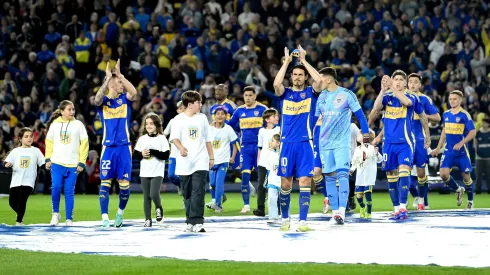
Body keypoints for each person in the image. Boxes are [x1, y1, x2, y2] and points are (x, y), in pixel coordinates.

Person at [272, 45, 323, 232]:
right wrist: (286, 62)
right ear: (291, 77)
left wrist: (304, 61)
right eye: (295, 75)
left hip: (305, 144)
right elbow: (276, 85)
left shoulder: (311, 92)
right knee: (285, 183)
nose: (298, 77)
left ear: (305, 77)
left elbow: (320, 81)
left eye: (301, 74)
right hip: (286, 144)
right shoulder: (285, 94)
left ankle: (302, 221)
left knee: (305, 182)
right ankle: (285, 220)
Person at [369, 71, 430, 220]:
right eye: (395, 79)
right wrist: (383, 90)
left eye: (400, 80)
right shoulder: (387, 97)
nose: (397, 82)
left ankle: (403, 207)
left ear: (405, 83)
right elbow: (376, 109)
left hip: (405, 143)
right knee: (391, 175)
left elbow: (407, 103)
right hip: (388, 144)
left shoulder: (411, 96)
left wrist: (427, 136)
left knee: (404, 172)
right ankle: (396, 208)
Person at [316, 67, 370, 225]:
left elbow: (360, 116)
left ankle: (341, 211)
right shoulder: (322, 97)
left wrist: (365, 137)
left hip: (342, 143)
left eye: (321, 78)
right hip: (325, 144)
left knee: (342, 175)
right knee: (329, 178)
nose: (318, 82)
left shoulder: (347, 94)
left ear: (328, 79)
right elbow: (314, 121)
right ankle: (335, 213)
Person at [94, 60, 138, 228]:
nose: (122, 84)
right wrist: (107, 80)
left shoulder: (124, 100)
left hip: (124, 148)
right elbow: (97, 99)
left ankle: (120, 213)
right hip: (108, 148)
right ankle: (105, 217)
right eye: (119, 82)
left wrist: (120, 75)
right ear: (111, 85)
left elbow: (133, 92)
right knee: (105, 182)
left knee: (124, 184)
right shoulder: (103, 102)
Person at [170, 91, 214, 233]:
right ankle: (190, 221)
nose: (201, 105)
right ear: (190, 104)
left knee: (198, 191)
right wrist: (181, 148)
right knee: (187, 193)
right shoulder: (178, 120)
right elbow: (174, 138)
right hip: (184, 161)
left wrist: (211, 157)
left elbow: (207, 140)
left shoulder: (202, 119)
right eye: (198, 102)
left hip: (201, 159)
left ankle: (198, 221)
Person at [45, 100, 89, 226]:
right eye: (69, 109)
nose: (72, 112)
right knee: (56, 187)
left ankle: (69, 218)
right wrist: (48, 159)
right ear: (62, 111)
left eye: (73, 109)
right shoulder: (54, 124)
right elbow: (49, 142)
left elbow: (84, 144)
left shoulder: (78, 124)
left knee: (69, 190)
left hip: (73, 164)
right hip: (57, 162)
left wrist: (81, 162)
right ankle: (55, 214)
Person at [431, 90, 476, 209]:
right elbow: (444, 132)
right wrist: (438, 147)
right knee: (443, 175)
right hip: (449, 151)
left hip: (461, 152)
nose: (452, 101)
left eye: (455, 99)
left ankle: (470, 201)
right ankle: (458, 189)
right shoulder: (446, 114)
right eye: (450, 99)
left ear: (460, 100)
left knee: (466, 177)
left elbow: (472, 132)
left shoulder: (464, 115)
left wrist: (462, 143)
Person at [227, 86, 266, 214]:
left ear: (255, 96)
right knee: (244, 175)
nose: (248, 98)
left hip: (260, 148)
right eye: (246, 95)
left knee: (263, 177)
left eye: (250, 95)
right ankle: (246, 205)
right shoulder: (239, 111)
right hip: (245, 149)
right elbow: (229, 126)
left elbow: (271, 125)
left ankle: (262, 202)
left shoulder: (262, 109)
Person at [407, 73, 441, 210]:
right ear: (407, 83)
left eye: (416, 82)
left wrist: (422, 114)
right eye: (410, 82)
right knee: (402, 172)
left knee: (421, 173)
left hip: (420, 139)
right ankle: (415, 197)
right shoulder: (403, 98)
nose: (413, 84)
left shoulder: (424, 99)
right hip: (405, 139)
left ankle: (423, 202)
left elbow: (438, 117)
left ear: (420, 85)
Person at [134, 113, 170, 227]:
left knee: (154, 193)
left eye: (151, 123)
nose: (148, 126)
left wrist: (152, 151)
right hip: (144, 171)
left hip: (157, 171)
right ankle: (147, 219)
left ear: (157, 125)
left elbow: (165, 155)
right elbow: (135, 155)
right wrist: (142, 154)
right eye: (147, 123)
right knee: (146, 196)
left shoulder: (162, 138)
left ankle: (159, 208)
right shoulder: (142, 139)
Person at [4, 128, 45, 226]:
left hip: (29, 181)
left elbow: (42, 163)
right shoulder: (15, 151)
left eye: (31, 136)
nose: (29, 138)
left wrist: (47, 165)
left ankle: (19, 221)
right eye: (26, 136)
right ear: (20, 139)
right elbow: (7, 162)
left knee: (22, 199)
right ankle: (20, 216)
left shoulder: (36, 151)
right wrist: (7, 164)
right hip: (16, 181)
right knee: (12, 202)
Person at [206, 106, 238, 213]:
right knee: (212, 184)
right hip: (211, 161)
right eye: (217, 114)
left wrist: (232, 157)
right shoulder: (209, 129)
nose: (220, 116)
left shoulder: (228, 129)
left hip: (223, 161)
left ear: (226, 116)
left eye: (222, 114)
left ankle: (218, 205)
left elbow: (235, 144)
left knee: (219, 183)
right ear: (214, 116)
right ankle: (220, 197)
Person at [253, 108, 280, 217]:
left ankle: (278, 208)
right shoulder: (261, 131)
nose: (277, 118)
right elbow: (260, 147)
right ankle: (261, 209)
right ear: (267, 119)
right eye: (274, 116)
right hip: (264, 162)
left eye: (277, 115)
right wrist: (259, 161)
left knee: (277, 185)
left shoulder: (279, 129)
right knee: (261, 186)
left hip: (275, 163)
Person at [349, 131, 382, 219]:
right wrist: (351, 170)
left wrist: (377, 153)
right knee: (359, 196)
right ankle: (362, 206)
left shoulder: (372, 148)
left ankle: (369, 212)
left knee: (368, 194)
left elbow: (380, 160)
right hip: (360, 176)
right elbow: (354, 162)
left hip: (369, 176)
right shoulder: (357, 149)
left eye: (359, 135)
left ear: (365, 138)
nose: (357, 136)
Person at [164, 101, 185, 195]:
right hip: (173, 154)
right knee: (171, 175)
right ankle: (181, 185)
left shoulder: (191, 121)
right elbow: (164, 133)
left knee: (185, 176)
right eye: (180, 108)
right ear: (177, 110)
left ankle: (186, 201)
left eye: (184, 108)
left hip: (185, 154)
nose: (183, 110)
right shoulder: (173, 121)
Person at [265, 134, 281, 223]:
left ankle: (286, 216)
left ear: (278, 143)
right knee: (271, 198)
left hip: (282, 180)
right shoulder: (270, 153)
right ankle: (273, 217)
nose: (271, 142)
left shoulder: (284, 153)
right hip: (272, 179)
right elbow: (268, 168)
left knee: (284, 199)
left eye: (273, 141)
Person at [475, 118, 490, 194]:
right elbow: (475, 143)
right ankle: (478, 190)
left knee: (489, 175)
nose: (484, 124)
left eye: (486, 123)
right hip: (479, 157)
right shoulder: (478, 133)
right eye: (483, 122)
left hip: (489, 158)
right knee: (478, 175)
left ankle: (489, 190)